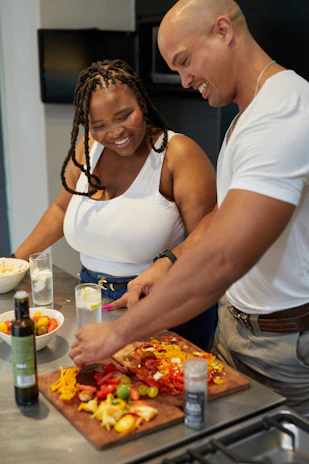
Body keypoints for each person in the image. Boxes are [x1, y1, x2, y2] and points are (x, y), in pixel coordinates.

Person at [69, 0, 309, 417]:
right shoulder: (245, 117)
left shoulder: (283, 112)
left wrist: (117, 335)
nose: (183, 81)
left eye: (185, 61)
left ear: (223, 30)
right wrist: (168, 264)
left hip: (284, 347)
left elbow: (222, 258)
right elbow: (222, 222)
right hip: (235, 330)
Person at [13, 59, 217, 350]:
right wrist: (14, 263)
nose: (115, 132)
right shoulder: (88, 150)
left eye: (124, 116)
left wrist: (167, 263)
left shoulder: (178, 154)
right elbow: (60, 210)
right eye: (99, 125)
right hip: (92, 301)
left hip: (163, 304)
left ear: (142, 103)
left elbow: (210, 234)